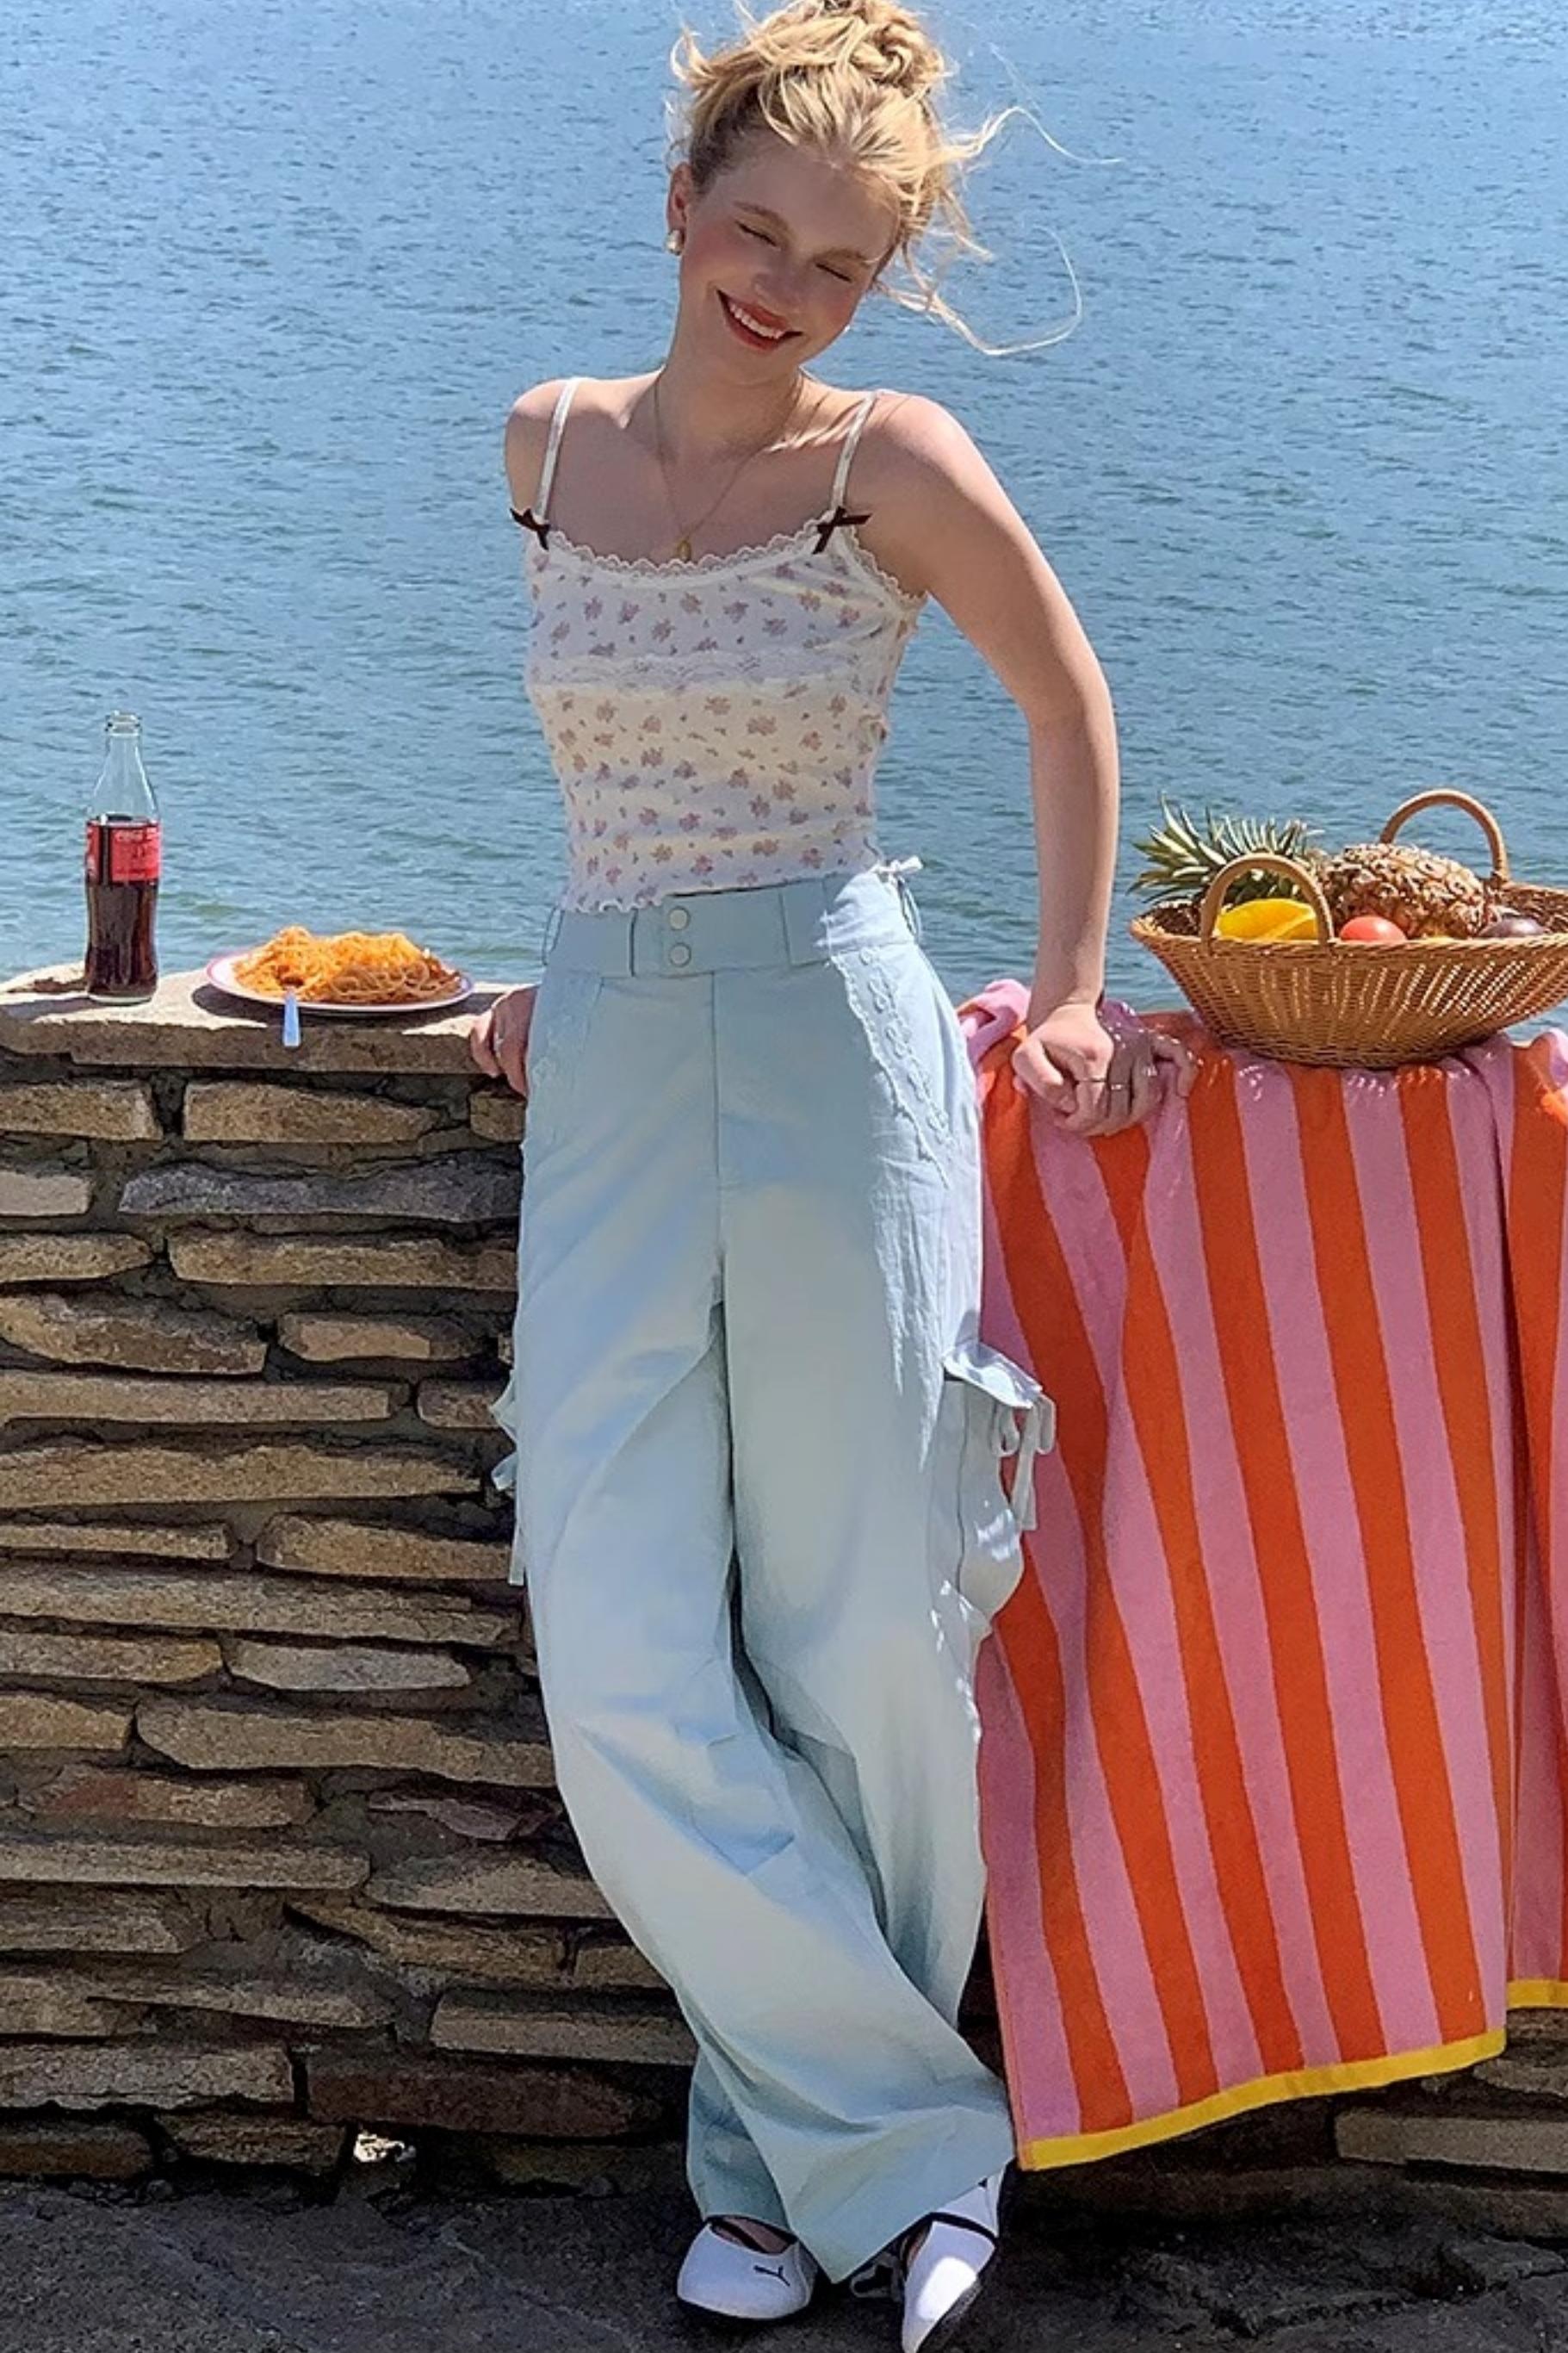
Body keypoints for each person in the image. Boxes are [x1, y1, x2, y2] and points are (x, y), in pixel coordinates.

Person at [472, 2, 1193, 2342]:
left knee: (862, 1622)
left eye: (841, 264)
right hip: (611, 1043)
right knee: (612, 1637)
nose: (787, 288)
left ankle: (774, 2183)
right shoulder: (545, 444)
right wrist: (561, 967)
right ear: (680, 205)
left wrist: (1069, 991)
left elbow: (1065, 702)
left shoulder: (896, 459)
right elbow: (617, 760)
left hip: (836, 1031)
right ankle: (919, 2141)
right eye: (758, 232)